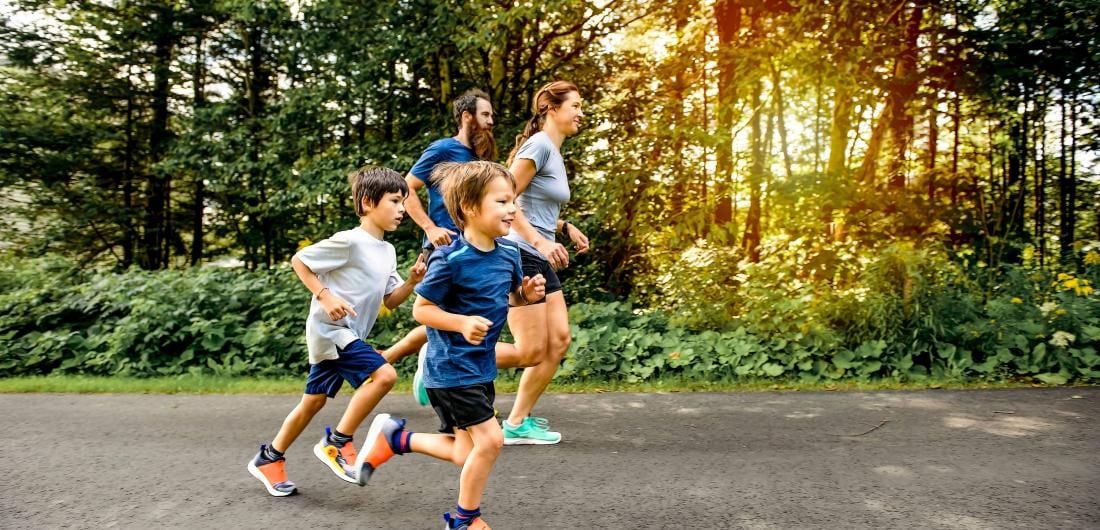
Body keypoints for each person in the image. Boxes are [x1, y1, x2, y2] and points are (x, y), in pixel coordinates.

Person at [352, 161, 546, 529]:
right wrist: (461, 322)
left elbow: (509, 298)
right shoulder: (450, 258)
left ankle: (395, 438)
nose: (512, 210)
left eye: (513, 202)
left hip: (480, 367)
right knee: (491, 440)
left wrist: (527, 295)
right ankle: (464, 520)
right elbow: (422, 311)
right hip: (451, 368)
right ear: (470, 208)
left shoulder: (508, 254)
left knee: (464, 452)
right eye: (502, 202)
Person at [246, 166, 426, 497]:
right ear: (370, 202)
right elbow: (300, 260)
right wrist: (325, 295)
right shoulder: (350, 241)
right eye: (395, 201)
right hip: (331, 330)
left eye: (404, 202)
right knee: (384, 376)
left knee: (311, 403)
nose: (402, 209)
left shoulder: (387, 251)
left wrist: (413, 282)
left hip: (345, 334)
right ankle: (337, 441)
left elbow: (391, 299)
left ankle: (269, 458)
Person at [381, 89, 496, 406]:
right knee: (443, 315)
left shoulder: (479, 160)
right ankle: (438, 383)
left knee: (465, 318)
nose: (491, 122)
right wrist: (430, 227)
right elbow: (406, 188)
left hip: (473, 248)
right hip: (444, 249)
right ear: (466, 117)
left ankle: (417, 369)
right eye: (485, 115)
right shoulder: (444, 149)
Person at [496, 81, 590, 445]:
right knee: (530, 349)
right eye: (575, 105)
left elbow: (535, 207)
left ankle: (517, 422)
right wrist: (538, 239)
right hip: (521, 251)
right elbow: (505, 198)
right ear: (552, 109)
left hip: (537, 251)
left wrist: (564, 226)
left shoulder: (552, 150)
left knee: (559, 341)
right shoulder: (538, 146)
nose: (581, 113)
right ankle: (442, 356)